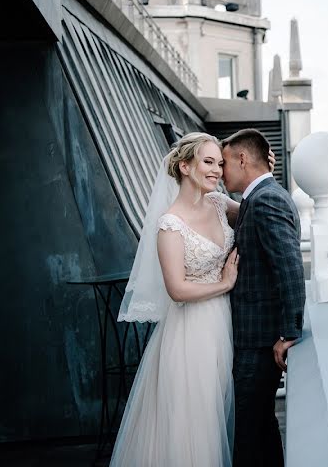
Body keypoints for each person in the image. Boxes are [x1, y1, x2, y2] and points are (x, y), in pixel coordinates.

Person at [111, 133, 241, 466]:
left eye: (220, 163)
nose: (217, 171)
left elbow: (256, 210)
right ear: (184, 166)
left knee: (217, 409)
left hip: (223, 323)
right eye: (208, 162)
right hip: (191, 331)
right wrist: (224, 283)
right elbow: (177, 289)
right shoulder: (170, 224)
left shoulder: (218, 203)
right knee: (194, 420)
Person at [222, 128, 305, 467]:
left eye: (225, 163)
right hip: (254, 337)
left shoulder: (265, 199)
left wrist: (288, 334)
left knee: (248, 430)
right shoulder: (259, 197)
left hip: (260, 340)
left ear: (242, 159)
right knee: (260, 425)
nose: (222, 173)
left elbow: (289, 268)